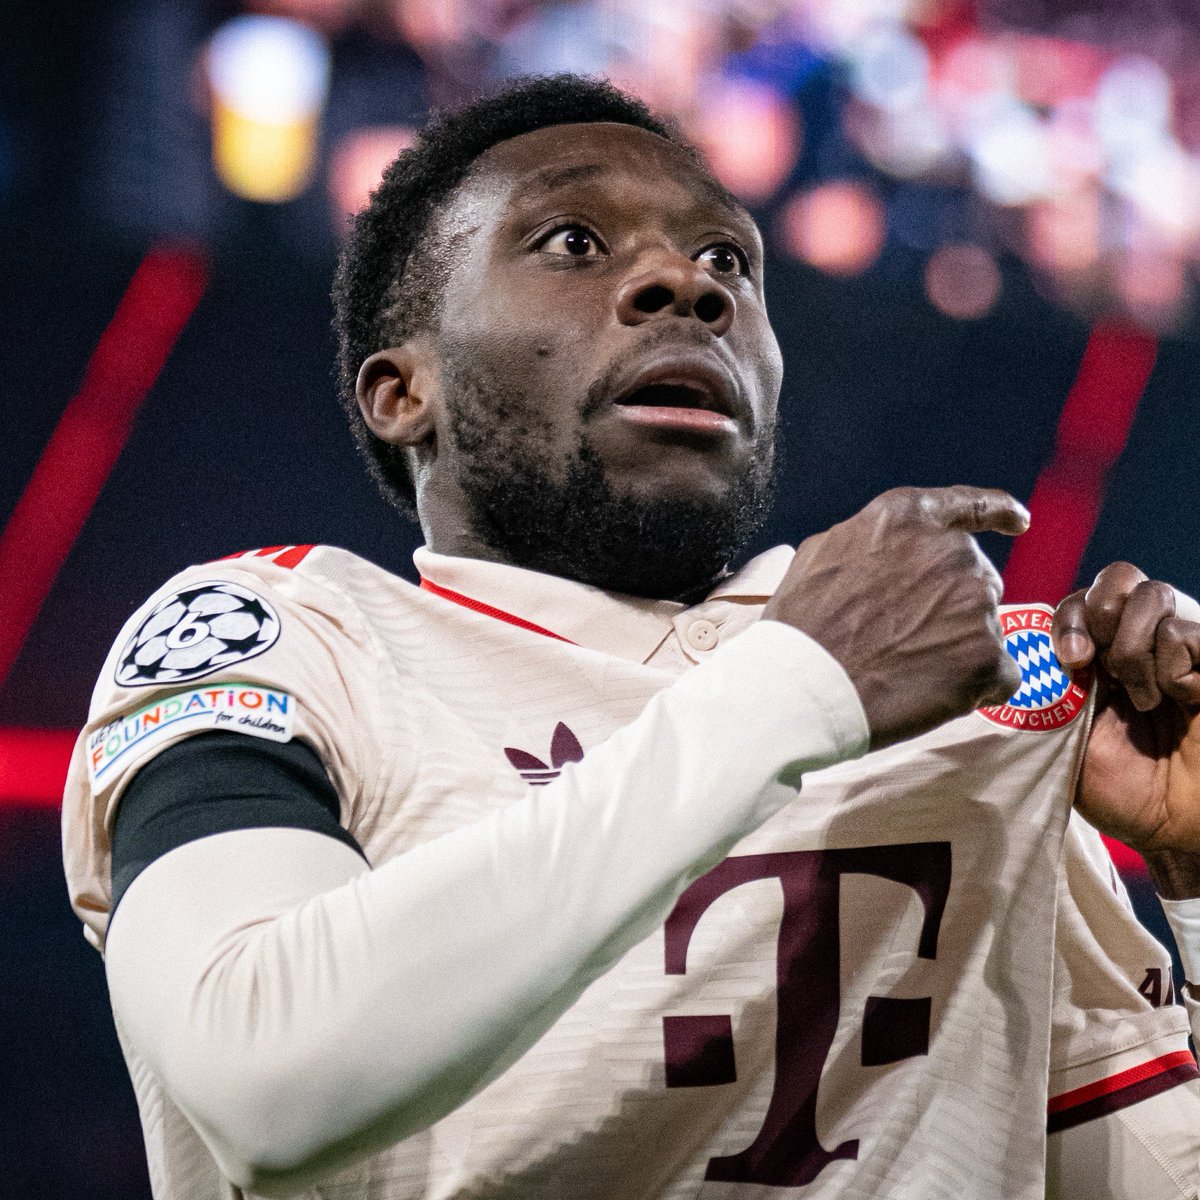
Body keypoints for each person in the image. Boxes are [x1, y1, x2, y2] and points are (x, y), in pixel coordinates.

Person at [62, 75, 1200, 1199]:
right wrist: (801, 686)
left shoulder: (957, 698)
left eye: (729, 263)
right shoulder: (281, 636)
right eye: (573, 241)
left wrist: (1194, 871)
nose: (684, 285)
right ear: (404, 391)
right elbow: (265, 1079)